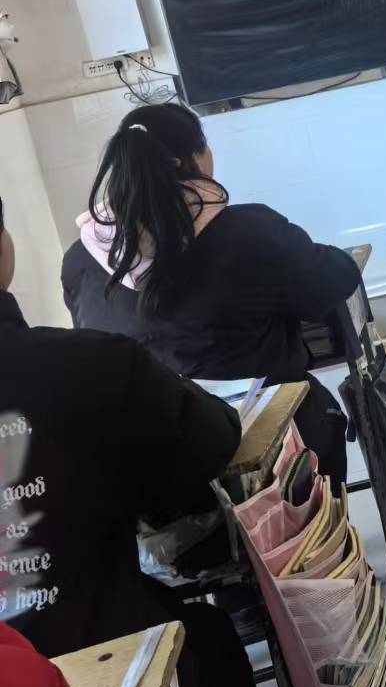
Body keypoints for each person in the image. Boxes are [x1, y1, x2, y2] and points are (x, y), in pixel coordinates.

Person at [0, 195, 313, 687]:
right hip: (109, 683)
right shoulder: (84, 366)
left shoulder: (84, 314)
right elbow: (212, 439)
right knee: (210, 643)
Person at [61, 103, 357, 485]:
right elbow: (333, 281)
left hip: (155, 462)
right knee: (322, 413)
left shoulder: (80, 259)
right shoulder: (249, 232)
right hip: (266, 436)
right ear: (192, 160)